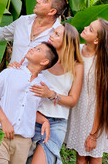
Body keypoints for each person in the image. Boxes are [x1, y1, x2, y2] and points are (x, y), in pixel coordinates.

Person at [0, 42, 59, 164]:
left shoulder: (43, 86)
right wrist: (4, 121)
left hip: (23, 142)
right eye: (34, 47)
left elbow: (30, 111)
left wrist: (44, 121)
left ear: (44, 62)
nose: (32, 49)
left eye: (38, 49)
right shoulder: (10, 72)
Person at [26, 23, 84, 164]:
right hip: (32, 117)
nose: (51, 35)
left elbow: (73, 100)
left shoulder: (77, 66)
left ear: (67, 42)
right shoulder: (43, 58)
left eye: (57, 34)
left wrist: (51, 94)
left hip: (56, 123)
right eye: (53, 32)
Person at [64, 18, 108, 164]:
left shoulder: (102, 63)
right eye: (88, 25)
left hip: (96, 115)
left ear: (96, 40)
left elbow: (103, 101)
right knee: (80, 158)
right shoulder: (77, 50)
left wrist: (94, 134)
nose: (85, 27)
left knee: (94, 156)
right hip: (78, 110)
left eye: (90, 29)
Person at [0, 0, 67, 63]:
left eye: (44, 0)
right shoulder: (23, 21)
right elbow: (0, 34)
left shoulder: (60, 35)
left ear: (52, 11)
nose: (38, 0)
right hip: (11, 73)